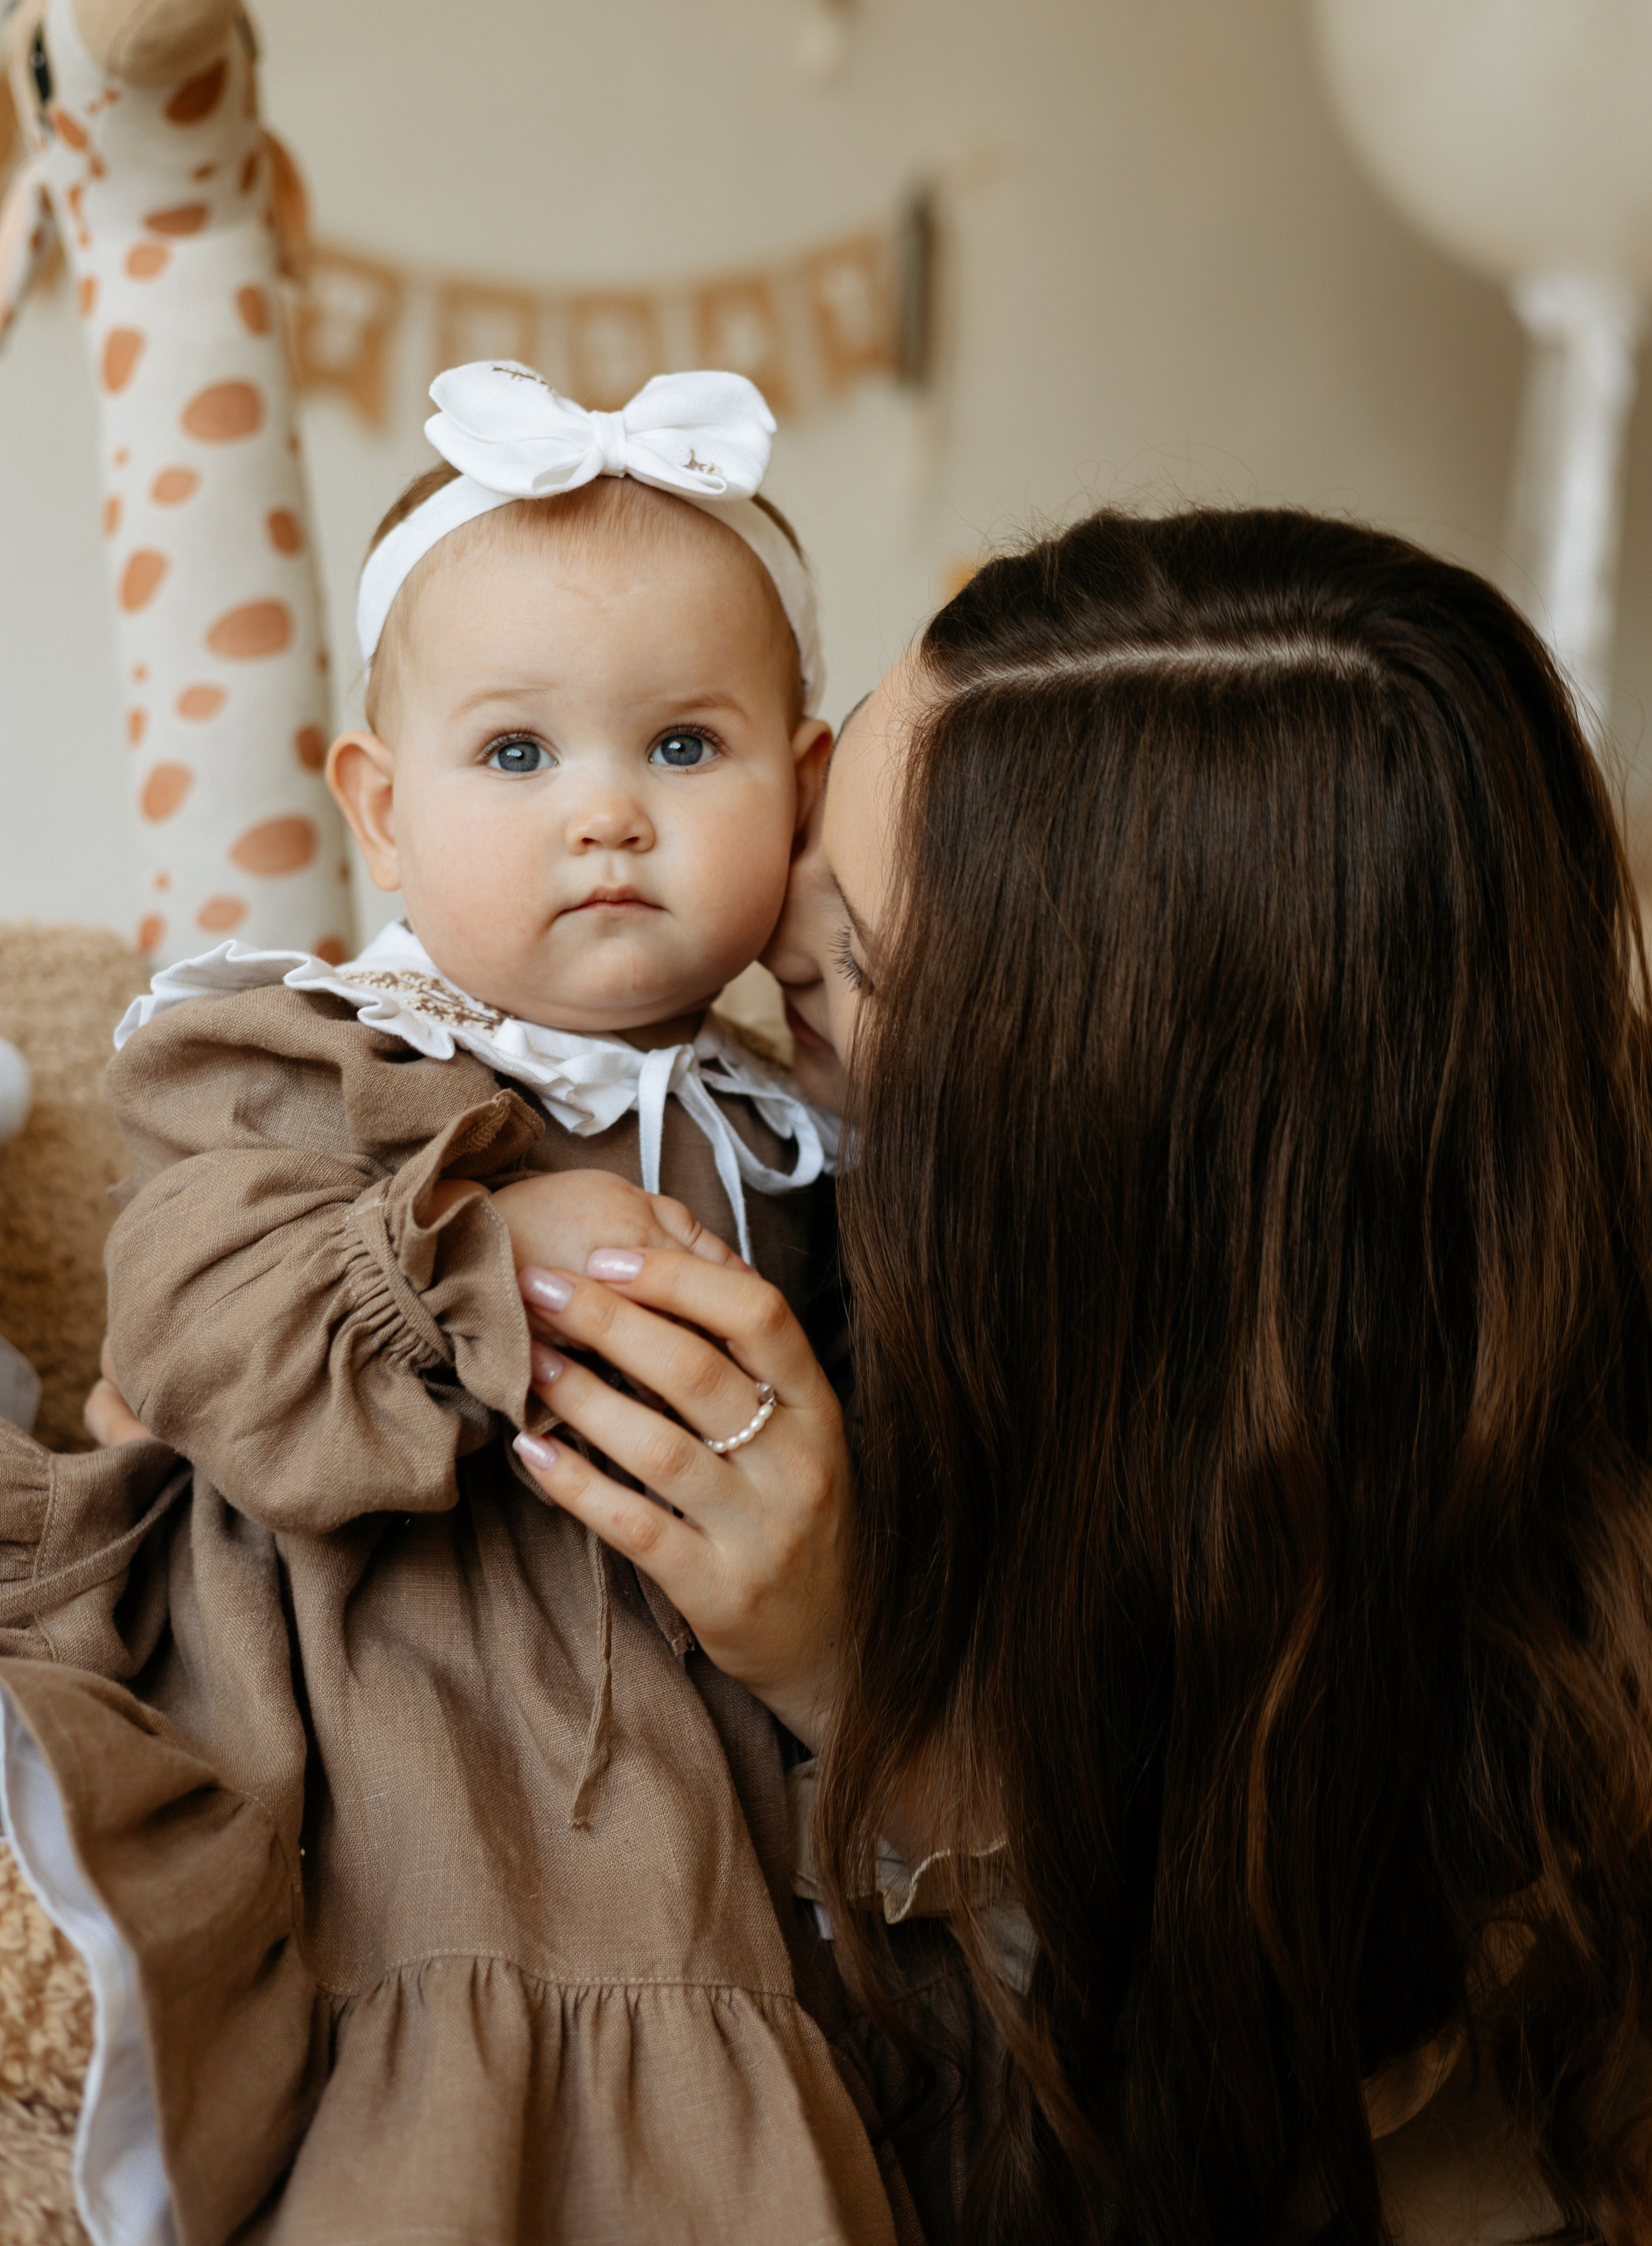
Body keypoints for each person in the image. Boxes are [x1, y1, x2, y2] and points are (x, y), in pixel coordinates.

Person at [501, 508, 1652, 2244]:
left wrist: (855, 1674)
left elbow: (1275, 2117)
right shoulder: (868, 1209)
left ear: (1122, 1136)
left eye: (868, 961)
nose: (760, 930)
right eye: (823, 810)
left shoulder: (1522, 1606)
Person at [0, 361, 951, 2246]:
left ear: (806, 783)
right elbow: (189, 1312)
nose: (606, 815)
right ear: (384, 809)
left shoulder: (816, 1134)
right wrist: (460, 1258)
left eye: (683, 749)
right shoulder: (314, 1050)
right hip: (386, 1726)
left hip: (704, 1806)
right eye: (518, 757)